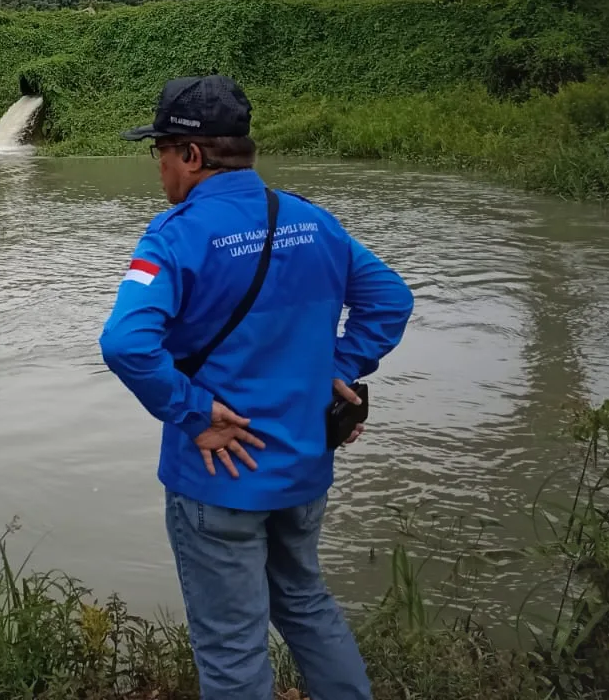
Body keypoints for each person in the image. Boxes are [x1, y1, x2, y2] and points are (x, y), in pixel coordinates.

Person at [99, 75, 413, 700]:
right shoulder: (312, 221)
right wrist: (338, 367)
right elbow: (390, 302)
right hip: (303, 467)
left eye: (158, 150)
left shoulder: (174, 236)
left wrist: (193, 413)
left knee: (231, 647)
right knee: (304, 602)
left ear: (190, 155)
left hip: (220, 475)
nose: (157, 167)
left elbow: (126, 344)